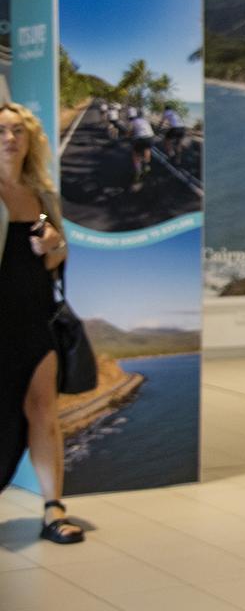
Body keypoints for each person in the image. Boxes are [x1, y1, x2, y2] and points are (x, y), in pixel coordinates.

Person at [0, 101, 84, 544]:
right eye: (2, 131)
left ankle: (53, 509)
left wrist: (52, 244)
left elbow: (57, 258)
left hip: (35, 319)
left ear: (30, 139)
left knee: (44, 412)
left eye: (18, 130)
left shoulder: (42, 197)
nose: (10, 138)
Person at [128, 112, 155, 184]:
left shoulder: (133, 121)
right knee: (147, 149)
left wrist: (129, 135)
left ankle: (138, 170)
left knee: (135, 154)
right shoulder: (146, 121)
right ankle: (146, 165)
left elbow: (130, 132)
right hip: (150, 137)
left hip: (140, 139)